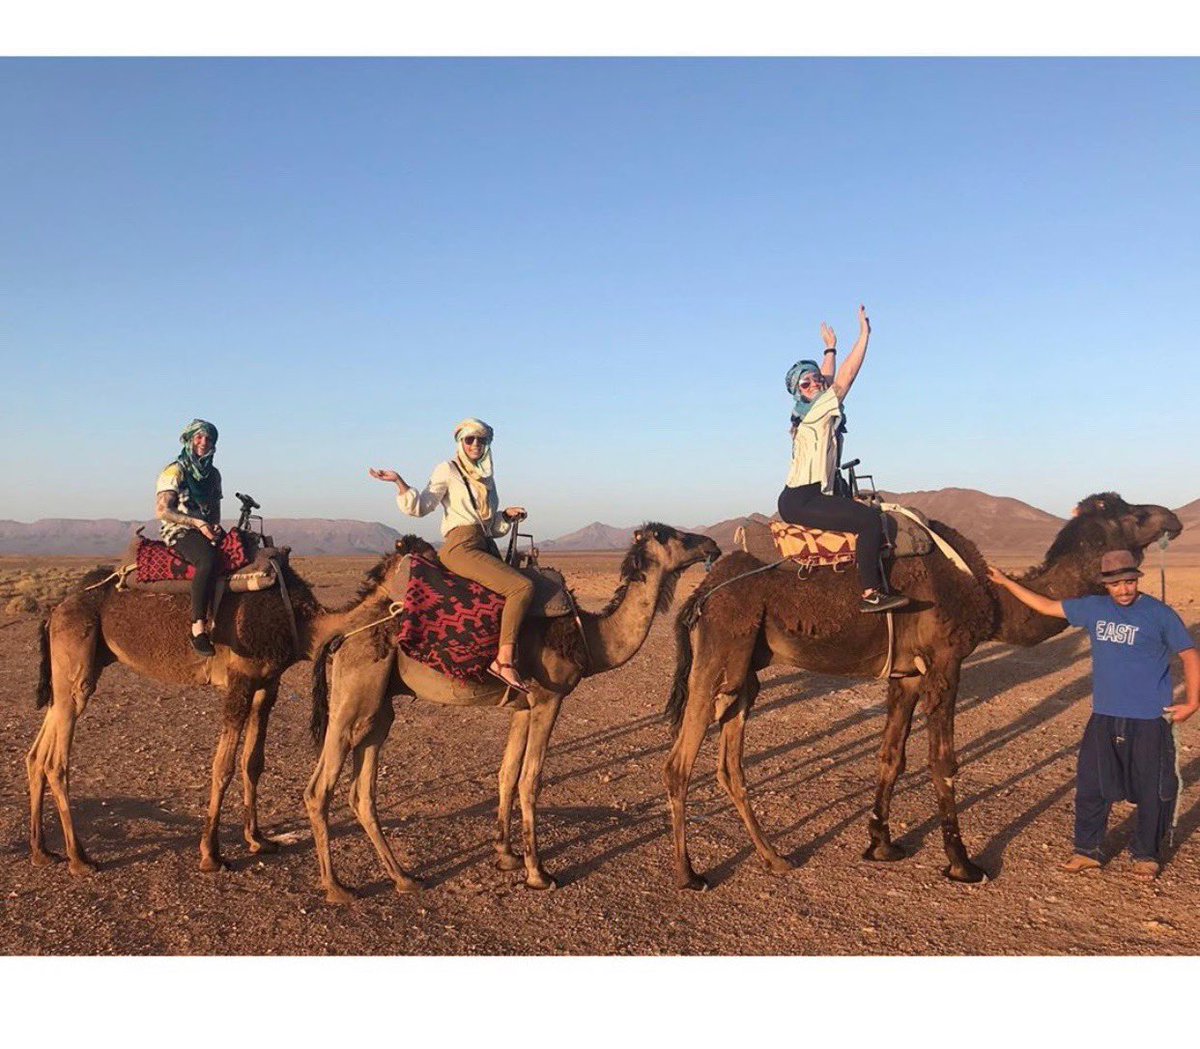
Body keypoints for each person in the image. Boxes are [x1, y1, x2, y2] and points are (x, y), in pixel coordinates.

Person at [988, 550, 1199, 879]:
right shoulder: (1093, 608)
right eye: (1117, 584)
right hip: (1104, 715)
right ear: (1106, 585)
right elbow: (1045, 606)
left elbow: (1189, 654)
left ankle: (1146, 854)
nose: (1124, 590)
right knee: (1092, 786)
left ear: (1136, 579)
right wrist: (1004, 582)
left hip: (1148, 718)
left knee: (1152, 789)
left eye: (1129, 582)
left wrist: (1192, 702)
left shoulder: (1159, 614)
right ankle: (1088, 851)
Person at [369, 418, 534, 692]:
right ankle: (503, 662)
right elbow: (422, 506)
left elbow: (490, 526)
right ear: (460, 442)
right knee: (522, 587)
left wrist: (505, 515)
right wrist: (399, 482)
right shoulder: (448, 469)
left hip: (482, 544)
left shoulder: (487, 479)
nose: (475, 445)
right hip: (461, 547)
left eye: (481, 440)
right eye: (469, 440)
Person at [779, 305, 908, 613]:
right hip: (803, 498)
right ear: (798, 393)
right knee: (868, 522)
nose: (814, 384)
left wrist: (830, 348)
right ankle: (870, 593)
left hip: (803, 496)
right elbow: (845, 377)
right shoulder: (817, 412)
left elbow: (827, 378)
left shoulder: (809, 410)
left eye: (814, 379)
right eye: (805, 384)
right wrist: (864, 335)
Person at [156, 418, 224, 656]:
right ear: (189, 440)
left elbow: (214, 509)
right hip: (180, 530)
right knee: (206, 560)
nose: (203, 442)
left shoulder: (213, 475)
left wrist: (214, 528)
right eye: (199, 437)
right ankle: (197, 628)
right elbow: (163, 510)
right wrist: (198, 523)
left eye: (208, 438)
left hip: (205, 529)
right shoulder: (175, 470)